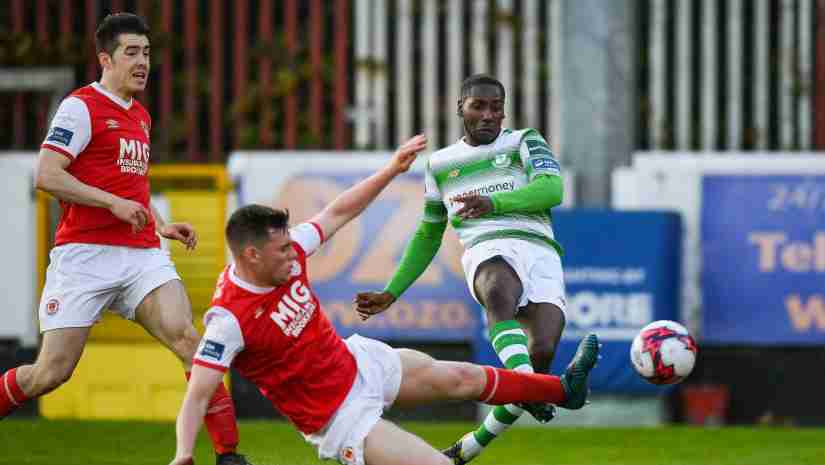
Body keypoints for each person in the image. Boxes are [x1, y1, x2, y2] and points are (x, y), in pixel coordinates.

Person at [167, 135, 600, 465]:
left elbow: (338, 212)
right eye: (281, 251)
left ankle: (563, 391)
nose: (293, 255)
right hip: (340, 418)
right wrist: (185, 454)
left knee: (464, 378)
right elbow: (199, 394)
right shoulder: (228, 319)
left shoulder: (288, 250)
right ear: (250, 256)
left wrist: (393, 167)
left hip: (358, 363)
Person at [0, 13, 252, 465]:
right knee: (50, 373)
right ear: (105, 59)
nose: (143, 63)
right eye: (131, 53)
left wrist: (159, 224)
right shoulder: (80, 107)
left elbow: (131, 185)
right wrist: (109, 205)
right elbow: (47, 175)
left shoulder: (140, 116)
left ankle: (228, 455)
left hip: (140, 257)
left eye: (147, 53)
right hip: (83, 257)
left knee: (189, 340)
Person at [354, 74, 573, 464]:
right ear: (461, 109)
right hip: (486, 248)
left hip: (540, 252)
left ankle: (469, 446)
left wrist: (495, 204)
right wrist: (393, 291)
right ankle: (533, 387)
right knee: (496, 286)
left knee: (543, 349)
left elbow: (553, 190)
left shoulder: (524, 140)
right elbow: (428, 234)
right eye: (479, 106)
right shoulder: (440, 165)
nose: (489, 115)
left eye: (496, 107)